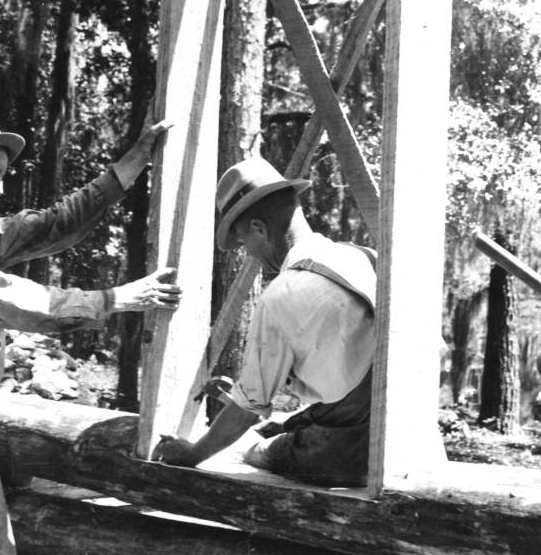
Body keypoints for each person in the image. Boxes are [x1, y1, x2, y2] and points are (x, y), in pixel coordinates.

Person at [0, 105, 180, 555]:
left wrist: (136, 159)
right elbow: (23, 302)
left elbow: (60, 221)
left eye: (3, 172)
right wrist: (118, 298)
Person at [153, 155, 376, 487]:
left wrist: (192, 454)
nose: (250, 255)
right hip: (396, 439)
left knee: (251, 449)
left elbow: (247, 411)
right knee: (278, 426)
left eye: (245, 243)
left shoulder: (280, 296)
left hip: (349, 456)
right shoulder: (361, 256)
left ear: (259, 228)